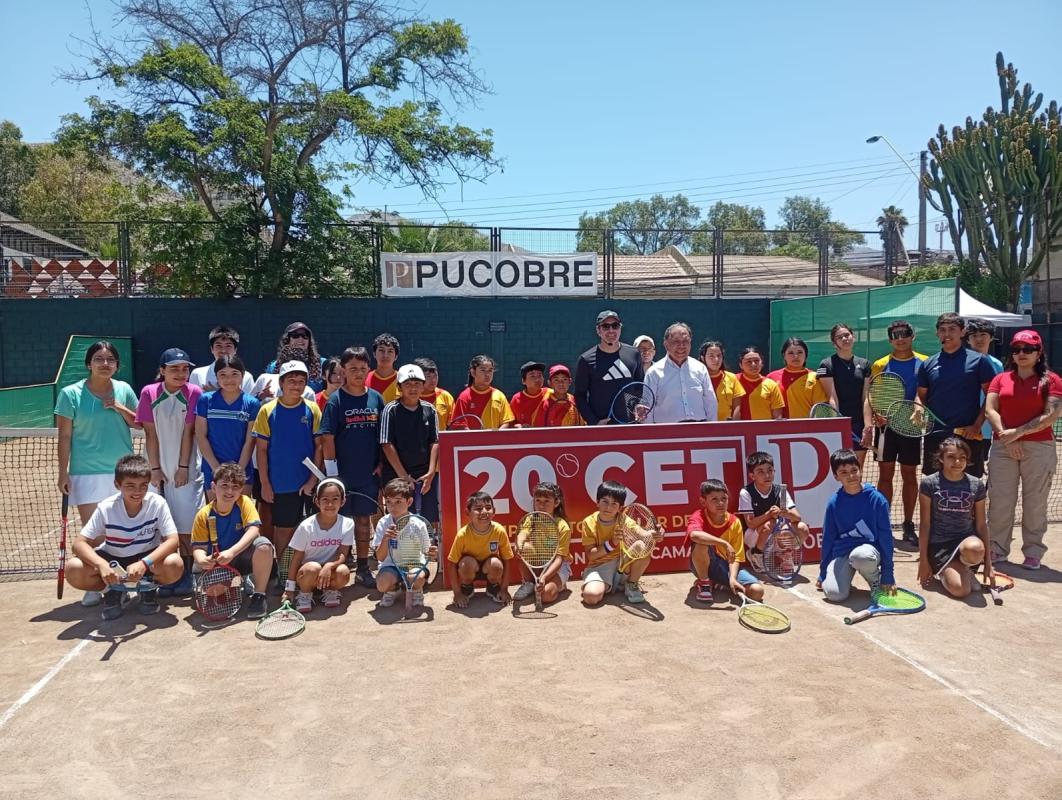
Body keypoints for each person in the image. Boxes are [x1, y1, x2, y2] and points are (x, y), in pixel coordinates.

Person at [55, 340, 139, 607]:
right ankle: (97, 584)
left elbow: (138, 423)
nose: (105, 364)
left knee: (122, 533)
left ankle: (122, 584)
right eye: (99, 359)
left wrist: (118, 406)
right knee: (95, 534)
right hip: (86, 473)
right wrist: (63, 473)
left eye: (110, 360)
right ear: (88, 364)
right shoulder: (69, 394)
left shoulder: (124, 389)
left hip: (122, 471)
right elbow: (65, 436)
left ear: (117, 365)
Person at [64, 455, 184, 620]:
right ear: (117, 485)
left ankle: (147, 588)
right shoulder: (106, 507)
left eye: (143, 485)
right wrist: (101, 565)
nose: (138, 491)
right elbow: (79, 544)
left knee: (174, 564)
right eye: (130, 486)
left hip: (146, 558)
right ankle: (111, 590)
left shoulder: (157, 503)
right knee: (73, 568)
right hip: (113, 559)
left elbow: (173, 540)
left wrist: (144, 563)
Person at [985, 330, 1062, 570]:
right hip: (1003, 446)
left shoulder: (1052, 380)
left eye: (1028, 349)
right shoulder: (1001, 379)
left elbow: (1051, 416)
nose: (1022, 353)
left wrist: (1017, 434)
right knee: (1000, 500)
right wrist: (1007, 438)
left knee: (1035, 502)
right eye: (1017, 349)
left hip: (1039, 448)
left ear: (1039, 353)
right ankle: (997, 549)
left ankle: (1033, 552)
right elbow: (990, 410)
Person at [135, 347, 204, 597]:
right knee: (156, 525)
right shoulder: (149, 392)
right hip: (156, 469)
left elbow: (189, 433)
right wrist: (155, 469)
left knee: (185, 524)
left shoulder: (194, 392)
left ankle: (185, 574)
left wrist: (183, 467)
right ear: (162, 370)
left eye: (185, 369)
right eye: (174, 368)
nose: (181, 373)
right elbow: (150, 433)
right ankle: (162, 575)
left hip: (186, 470)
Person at [319, 346, 384, 588]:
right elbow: (327, 438)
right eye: (352, 368)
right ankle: (338, 568)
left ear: (369, 369)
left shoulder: (376, 398)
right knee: (340, 523)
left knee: (363, 521)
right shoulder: (335, 401)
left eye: (363, 368)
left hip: (368, 474)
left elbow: (383, 436)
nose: (358, 373)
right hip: (342, 475)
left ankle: (364, 568)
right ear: (343, 371)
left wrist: (381, 463)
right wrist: (332, 473)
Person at [252, 360, 322, 574]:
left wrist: (312, 480)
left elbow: (319, 446)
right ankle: (284, 573)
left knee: (309, 529)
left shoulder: (312, 409)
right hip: (281, 483)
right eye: (291, 381)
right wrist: (265, 483)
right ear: (281, 383)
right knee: (283, 529)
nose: (296, 385)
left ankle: (303, 573)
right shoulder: (267, 410)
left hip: (307, 483)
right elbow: (261, 450)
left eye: (301, 381)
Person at [865, 320, 927, 546]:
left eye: (904, 334)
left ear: (912, 336)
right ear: (890, 339)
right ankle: (884, 524)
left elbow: (923, 392)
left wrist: (918, 407)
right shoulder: (880, 364)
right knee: (885, 475)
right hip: (886, 429)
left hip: (910, 428)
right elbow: (873, 394)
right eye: (895, 335)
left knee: (910, 475)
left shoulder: (924, 362)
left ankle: (908, 524)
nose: (900, 339)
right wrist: (877, 415)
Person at [190, 461, 273, 619]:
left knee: (264, 546)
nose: (229, 491)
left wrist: (231, 552)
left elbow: (254, 530)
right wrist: (202, 560)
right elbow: (198, 548)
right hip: (219, 563)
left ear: (241, 489)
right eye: (224, 485)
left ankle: (259, 596)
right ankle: (232, 584)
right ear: (213, 487)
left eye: (235, 487)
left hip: (241, 556)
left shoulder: (244, 502)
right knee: (215, 593)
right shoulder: (203, 514)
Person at [917, 313, 996, 478]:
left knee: (970, 486)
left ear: (962, 332)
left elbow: (991, 397)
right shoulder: (927, 364)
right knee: (934, 486)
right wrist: (919, 410)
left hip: (968, 436)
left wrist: (976, 426)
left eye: (952, 329)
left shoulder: (979, 361)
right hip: (935, 436)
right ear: (937, 333)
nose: (947, 334)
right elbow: (922, 397)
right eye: (942, 330)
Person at [817, 449, 895, 602]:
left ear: (860, 470)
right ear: (836, 476)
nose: (851, 476)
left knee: (860, 556)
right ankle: (844, 579)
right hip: (843, 552)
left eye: (854, 470)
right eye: (844, 472)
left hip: (868, 553)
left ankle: (875, 581)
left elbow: (886, 537)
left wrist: (888, 574)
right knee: (834, 594)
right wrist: (823, 572)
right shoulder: (833, 503)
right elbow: (828, 538)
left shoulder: (877, 500)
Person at [917, 438, 989, 598]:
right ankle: (947, 571)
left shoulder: (976, 484)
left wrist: (988, 564)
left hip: (966, 542)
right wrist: (924, 561)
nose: (957, 462)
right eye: (951, 457)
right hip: (939, 545)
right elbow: (925, 524)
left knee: (976, 549)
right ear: (941, 458)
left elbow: (981, 525)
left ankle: (966, 568)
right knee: (961, 591)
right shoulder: (929, 483)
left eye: (962, 457)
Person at [580, 480, 662, 606]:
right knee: (591, 597)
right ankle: (610, 584)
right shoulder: (588, 522)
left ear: (620, 508)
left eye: (614, 504)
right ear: (597, 502)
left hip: (623, 564)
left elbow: (642, 534)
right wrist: (612, 543)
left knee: (642, 545)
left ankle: (631, 584)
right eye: (605, 501)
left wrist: (654, 534)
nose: (608, 507)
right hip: (599, 567)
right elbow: (591, 555)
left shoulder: (623, 519)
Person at [379, 364, 440, 532]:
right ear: (399, 387)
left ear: (423, 386)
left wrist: (431, 472)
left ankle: (429, 546)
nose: (413, 388)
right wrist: (403, 476)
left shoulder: (430, 409)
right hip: (396, 475)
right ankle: (397, 548)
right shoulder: (390, 410)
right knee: (398, 518)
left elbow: (435, 441)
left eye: (417, 384)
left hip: (424, 476)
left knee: (429, 519)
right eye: (408, 384)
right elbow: (386, 444)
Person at [687, 479, 765, 604]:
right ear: (703, 502)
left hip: (727, 566)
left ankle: (721, 584)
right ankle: (704, 583)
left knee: (757, 592)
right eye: (714, 499)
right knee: (701, 543)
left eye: (724, 499)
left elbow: (736, 557)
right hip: (704, 566)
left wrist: (732, 578)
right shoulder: (698, 516)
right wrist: (723, 543)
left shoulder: (735, 522)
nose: (721, 503)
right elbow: (694, 535)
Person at [195, 354, 260, 500]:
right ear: (216, 377)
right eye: (223, 374)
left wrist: (239, 471)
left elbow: (250, 441)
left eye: (234, 374)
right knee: (216, 512)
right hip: (212, 468)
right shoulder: (206, 400)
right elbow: (201, 436)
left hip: (242, 469)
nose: (229, 379)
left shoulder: (252, 403)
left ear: (242, 375)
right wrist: (216, 469)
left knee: (241, 512)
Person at [284, 478, 354, 612]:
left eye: (335, 499)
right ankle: (305, 593)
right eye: (325, 499)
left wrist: (329, 566)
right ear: (317, 501)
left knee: (343, 571)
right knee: (313, 568)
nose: (330, 504)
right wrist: (289, 589)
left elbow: (343, 553)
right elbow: (297, 558)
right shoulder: (306, 526)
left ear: (343, 501)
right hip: (308, 574)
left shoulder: (348, 524)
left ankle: (330, 590)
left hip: (330, 572)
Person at [737, 451, 811, 573]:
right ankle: (756, 554)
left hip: (777, 533)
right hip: (753, 536)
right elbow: (750, 524)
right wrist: (769, 514)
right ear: (752, 476)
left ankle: (786, 554)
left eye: (770, 470)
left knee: (802, 528)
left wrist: (784, 512)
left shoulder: (781, 490)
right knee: (770, 523)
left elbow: (797, 517)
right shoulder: (746, 492)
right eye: (761, 472)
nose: (767, 475)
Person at [373, 478, 437, 608]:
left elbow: (427, 553)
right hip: (390, 566)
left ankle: (417, 589)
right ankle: (393, 590)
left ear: (409, 502)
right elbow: (380, 557)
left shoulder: (418, 524)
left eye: (398, 501)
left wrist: (432, 553)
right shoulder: (383, 523)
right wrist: (385, 539)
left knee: (416, 578)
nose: (393, 506)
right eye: (389, 502)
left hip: (414, 564)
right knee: (382, 585)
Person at [573, 310, 644, 425]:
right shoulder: (585, 360)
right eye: (605, 326)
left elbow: (639, 385)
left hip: (630, 425)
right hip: (602, 427)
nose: (611, 330)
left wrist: (637, 405)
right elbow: (580, 396)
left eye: (615, 326)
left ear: (620, 328)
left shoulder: (634, 354)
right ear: (598, 330)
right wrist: (595, 422)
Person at [447, 490, 513, 608]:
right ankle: (467, 587)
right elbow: (451, 563)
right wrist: (457, 593)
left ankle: (493, 586)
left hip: (489, 569)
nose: (484, 512)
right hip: (469, 570)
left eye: (488, 508)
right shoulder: (462, 534)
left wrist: (504, 589)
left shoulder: (499, 530)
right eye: (478, 509)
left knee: (496, 564)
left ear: (494, 511)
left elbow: (507, 560)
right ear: (468, 512)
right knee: (467, 563)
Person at [816, 323, 871, 465]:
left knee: (857, 467)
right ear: (834, 343)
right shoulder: (826, 365)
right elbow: (832, 397)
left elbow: (866, 398)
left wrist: (868, 426)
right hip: (839, 423)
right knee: (841, 466)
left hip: (859, 423)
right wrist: (837, 424)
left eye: (847, 335)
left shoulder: (865, 364)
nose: (845, 339)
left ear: (853, 337)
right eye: (839, 337)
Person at [643, 322, 717, 423]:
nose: (681, 346)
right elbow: (647, 408)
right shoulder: (653, 373)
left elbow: (710, 403)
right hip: (668, 430)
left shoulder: (700, 369)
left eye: (686, 341)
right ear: (666, 344)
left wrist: (712, 428)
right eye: (676, 341)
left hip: (699, 429)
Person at [512, 482, 573, 604]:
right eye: (538, 500)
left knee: (546, 596)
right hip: (538, 563)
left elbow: (559, 559)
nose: (541, 505)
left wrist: (544, 578)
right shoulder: (531, 518)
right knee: (524, 547)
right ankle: (529, 583)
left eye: (546, 501)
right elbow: (522, 534)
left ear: (556, 503)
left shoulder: (562, 526)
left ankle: (558, 585)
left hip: (558, 566)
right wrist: (519, 544)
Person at [964, 317, 1005, 475]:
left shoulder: (997, 365)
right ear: (968, 339)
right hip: (962, 427)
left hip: (986, 431)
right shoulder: (962, 362)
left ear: (991, 337)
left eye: (983, 335)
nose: (979, 339)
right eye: (974, 335)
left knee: (977, 474)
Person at [766, 337, 827, 418]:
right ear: (784, 356)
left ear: (806, 355)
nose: (795, 356)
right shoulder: (771, 377)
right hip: (778, 425)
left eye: (800, 352)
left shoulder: (814, 377)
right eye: (791, 353)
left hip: (806, 425)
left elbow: (820, 409)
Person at [450, 355, 516, 429]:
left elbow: (507, 421)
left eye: (490, 370)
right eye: (483, 370)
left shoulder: (499, 395)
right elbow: (459, 424)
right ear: (473, 372)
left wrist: (497, 435)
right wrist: (476, 436)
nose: (487, 374)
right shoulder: (464, 397)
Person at [263, 322, 327, 393]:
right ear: (287, 340)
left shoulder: (323, 364)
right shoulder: (274, 367)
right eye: (295, 335)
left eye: (305, 336)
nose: (300, 339)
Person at [189, 326, 255, 393]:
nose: (223, 350)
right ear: (212, 349)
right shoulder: (198, 374)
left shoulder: (247, 377)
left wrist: (215, 395)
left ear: (235, 350)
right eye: (218, 345)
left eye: (228, 346)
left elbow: (249, 399)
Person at [734, 346, 784, 420]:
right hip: (738, 427)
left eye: (756, 361)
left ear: (762, 363)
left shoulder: (771, 385)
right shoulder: (733, 381)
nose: (753, 364)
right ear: (741, 365)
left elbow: (777, 416)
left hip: (764, 427)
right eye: (749, 361)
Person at [700, 341, 744, 421]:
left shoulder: (731, 378)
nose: (716, 359)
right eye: (711, 356)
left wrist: (735, 424)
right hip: (703, 424)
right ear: (703, 358)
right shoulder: (697, 378)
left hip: (726, 425)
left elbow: (737, 407)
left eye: (719, 356)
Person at [416, 357, 454, 431]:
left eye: (435, 376)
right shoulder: (410, 397)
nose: (433, 380)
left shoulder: (445, 396)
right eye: (428, 376)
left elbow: (453, 424)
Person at [510, 361, 551, 427]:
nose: (537, 379)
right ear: (523, 381)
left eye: (540, 375)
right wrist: (518, 426)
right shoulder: (516, 399)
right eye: (532, 376)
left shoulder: (550, 394)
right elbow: (510, 422)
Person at [367, 333, 401, 404]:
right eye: (381, 350)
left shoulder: (402, 380)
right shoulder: (365, 379)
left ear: (396, 356)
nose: (385, 355)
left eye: (390, 351)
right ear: (374, 354)